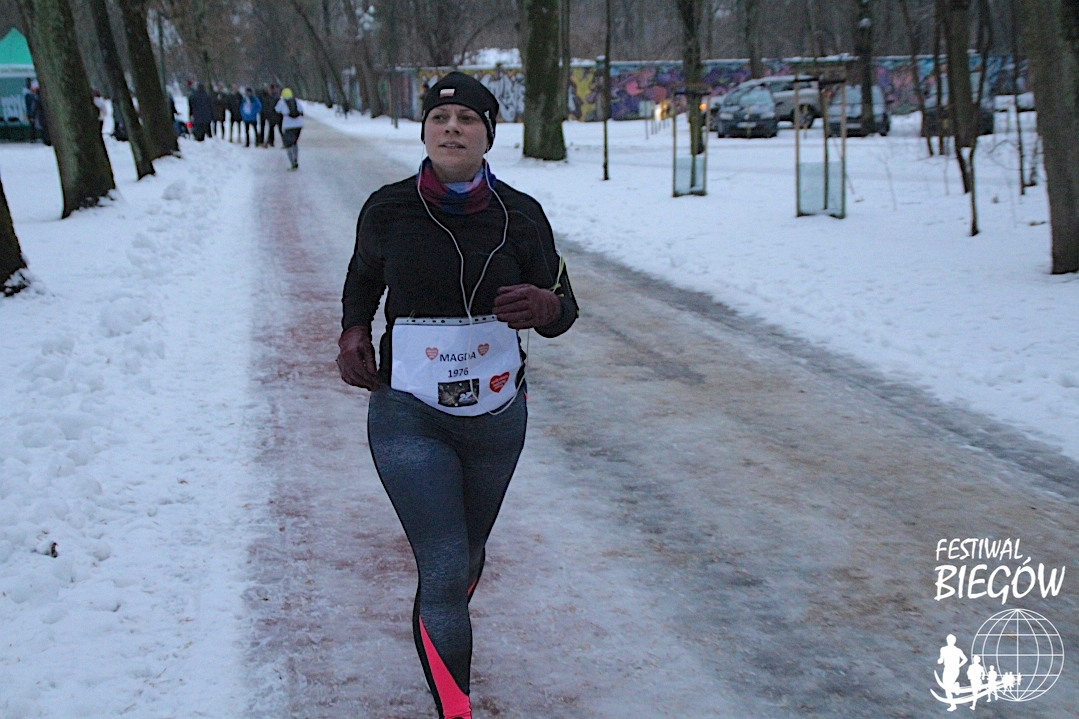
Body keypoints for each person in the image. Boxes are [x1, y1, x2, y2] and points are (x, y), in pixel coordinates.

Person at [335, 71, 578, 719]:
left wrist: (546, 305)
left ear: (487, 135)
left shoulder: (521, 215)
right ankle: (456, 708)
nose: (451, 128)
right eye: (439, 119)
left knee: (466, 556)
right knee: (442, 569)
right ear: (423, 132)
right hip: (407, 411)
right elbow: (362, 278)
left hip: (496, 416)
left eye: (467, 119)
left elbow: (565, 308)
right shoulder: (386, 208)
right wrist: (353, 329)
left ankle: (441, 626)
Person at [274, 88, 303, 170]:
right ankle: (296, 158)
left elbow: (276, 110)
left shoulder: (281, 102)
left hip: (288, 125)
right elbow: (301, 110)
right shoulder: (296, 101)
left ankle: (293, 163)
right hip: (299, 124)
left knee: (288, 144)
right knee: (294, 143)